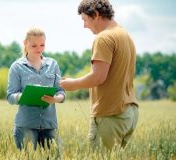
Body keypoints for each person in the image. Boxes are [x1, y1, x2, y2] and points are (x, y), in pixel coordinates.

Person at [59, 0, 139, 151]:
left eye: (85, 19)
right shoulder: (125, 35)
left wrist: (71, 84)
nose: (84, 25)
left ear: (95, 15)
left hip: (110, 114)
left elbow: (98, 77)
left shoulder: (104, 38)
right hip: (129, 114)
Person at [7, 27, 65, 150]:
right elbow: (10, 96)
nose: (39, 49)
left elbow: (61, 91)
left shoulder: (53, 64)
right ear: (25, 43)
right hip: (26, 126)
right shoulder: (16, 67)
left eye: (42, 45)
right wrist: (24, 96)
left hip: (50, 126)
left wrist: (56, 99)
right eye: (34, 46)